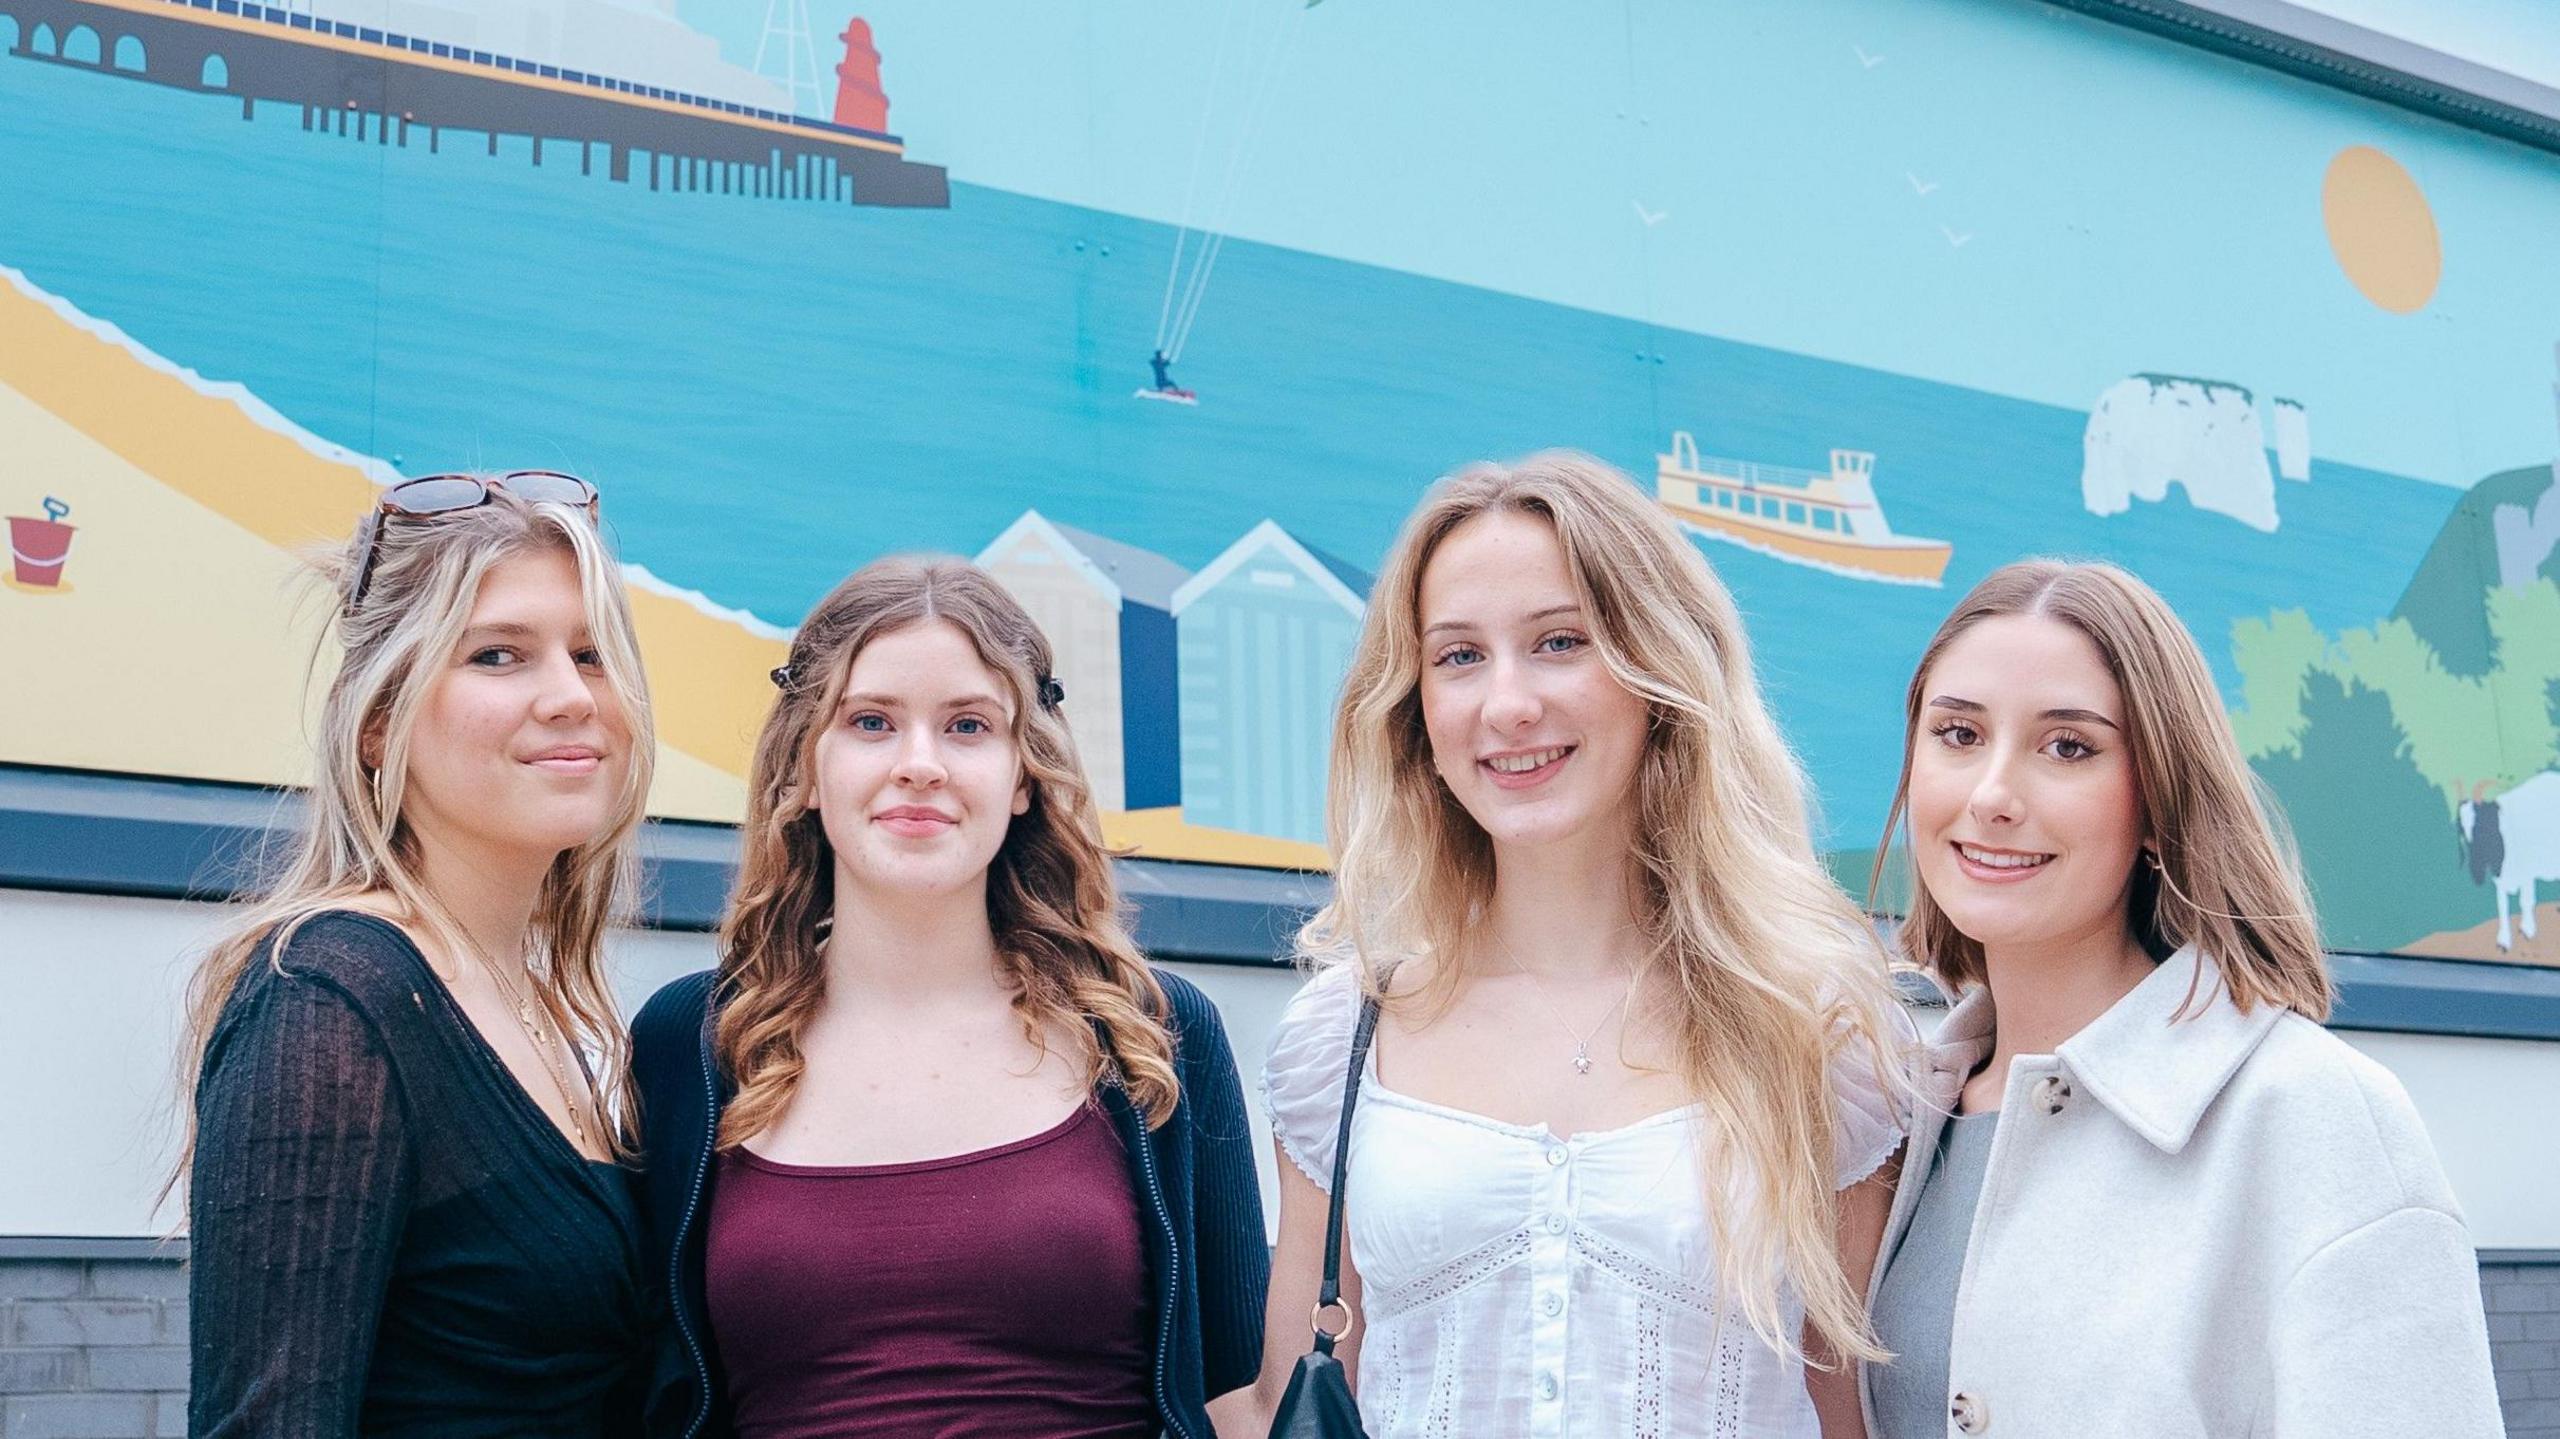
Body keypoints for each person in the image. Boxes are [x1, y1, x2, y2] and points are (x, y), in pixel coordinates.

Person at [1248, 453, 1915, 1438]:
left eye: (1560, 641)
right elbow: (1288, 1397)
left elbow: (1848, 1408)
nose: (1507, 703)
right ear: (1414, 707)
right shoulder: (1343, 1037)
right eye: (1459, 655)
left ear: (1659, 674)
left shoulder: (1819, 1028)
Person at [1860, 558, 2502, 1438]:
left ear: (2159, 803)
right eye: (1959, 734)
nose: (1993, 795)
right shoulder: (1887, 1121)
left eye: (2068, 746)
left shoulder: (2312, 1118)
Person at [631, 556, 1266, 1439]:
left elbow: (1241, 1400)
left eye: (967, 725)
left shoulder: (1152, 1033)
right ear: (806, 768)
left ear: (1021, 774)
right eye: (871, 722)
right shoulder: (691, 1047)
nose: (919, 764)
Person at [183, 471, 656, 1437]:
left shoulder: (530, 1003)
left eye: (591, 653)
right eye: (498, 655)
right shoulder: (332, 996)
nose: (571, 697)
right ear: (376, 723)